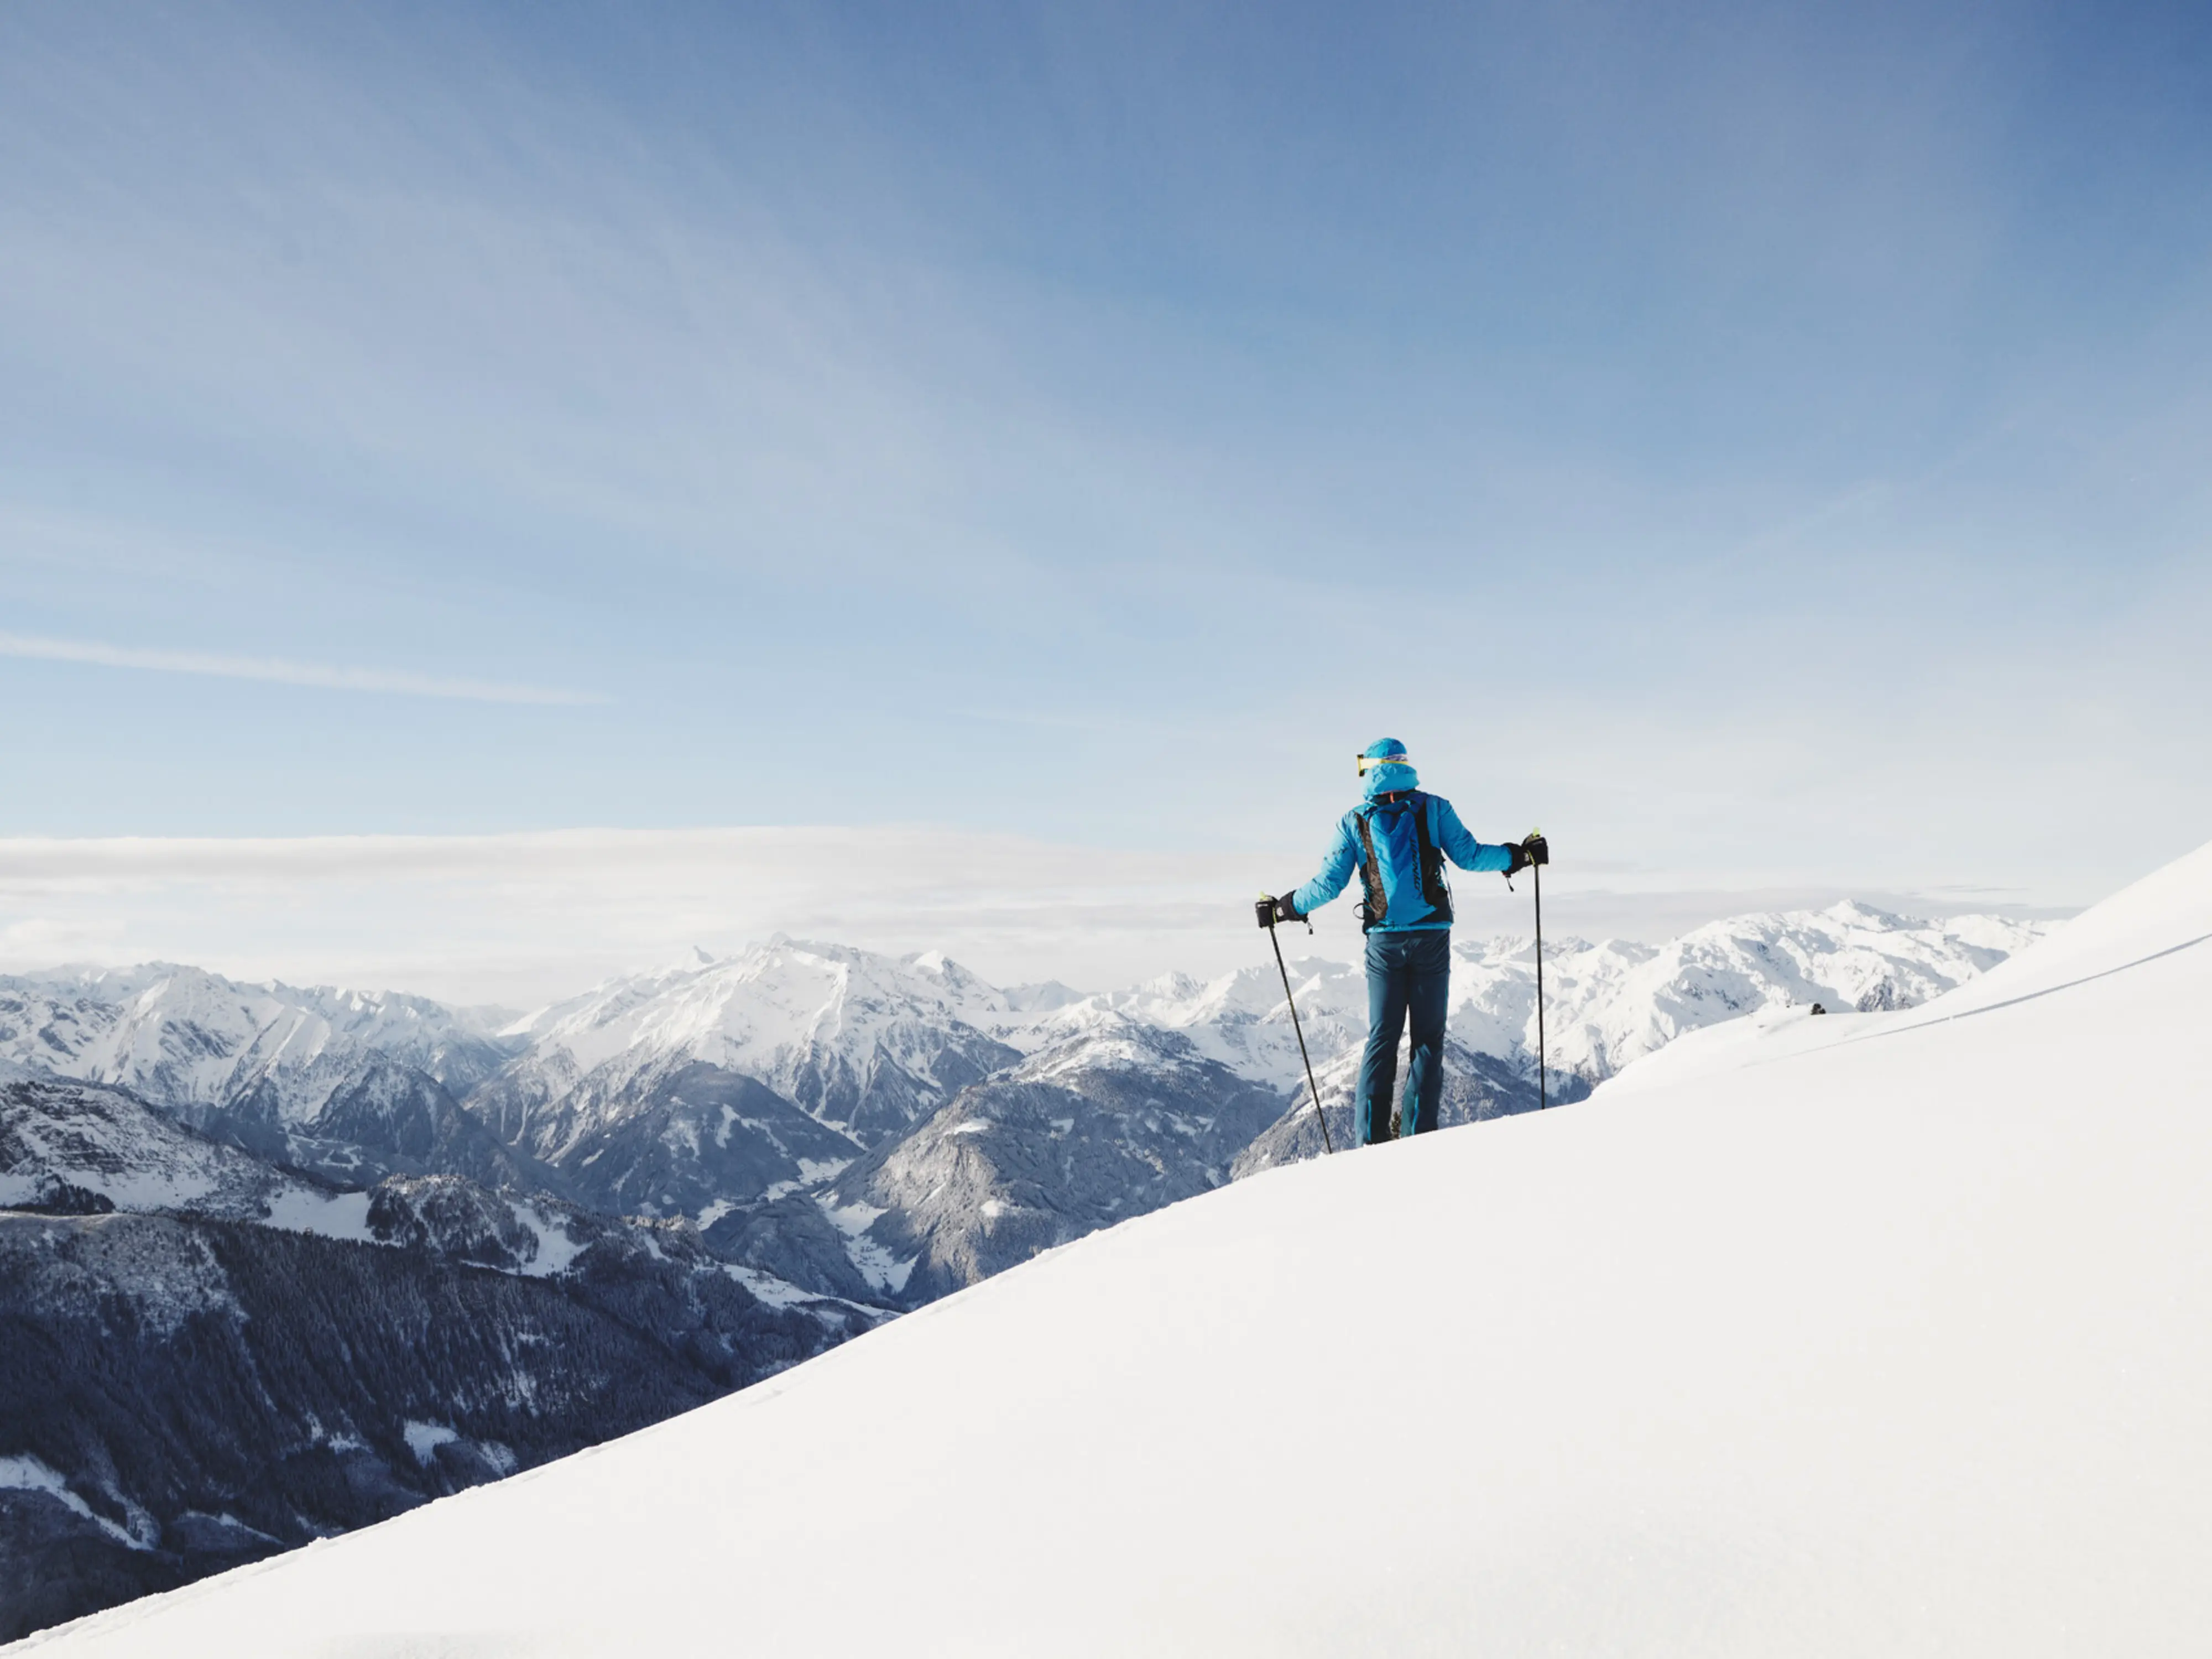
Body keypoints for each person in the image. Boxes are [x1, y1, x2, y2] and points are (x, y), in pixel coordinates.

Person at [1264, 739, 1544, 1146]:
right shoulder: (1434, 808)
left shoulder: (1353, 821)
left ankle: (1370, 1142)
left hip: (1384, 944)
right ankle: (1418, 1141)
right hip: (1432, 935)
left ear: (1369, 772)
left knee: (1383, 1038)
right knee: (1428, 1040)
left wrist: (1284, 908)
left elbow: (1328, 885)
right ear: (1405, 767)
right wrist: (1519, 856)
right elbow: (1469, 856)